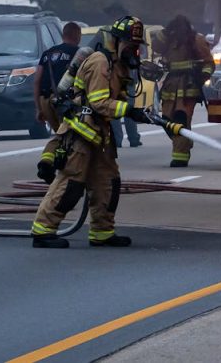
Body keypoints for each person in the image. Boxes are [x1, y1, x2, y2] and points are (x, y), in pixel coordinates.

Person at [30, 16, 147, 248]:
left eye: (136, 47)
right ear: (116, 41)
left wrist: (135, 109)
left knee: (108, 183)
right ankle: (43, 230)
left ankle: (102, 232)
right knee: (71, 183)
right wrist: (130, 111)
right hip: (81, 132)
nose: (134, 51)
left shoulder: (118, 66)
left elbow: (116, 98)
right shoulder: (99, 62)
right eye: (130, 45)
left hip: (100, 135)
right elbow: (98, 102)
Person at [153, 15, 215, 167]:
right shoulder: (169, 40)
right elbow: (156, 47)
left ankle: (180, 157)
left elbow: (209, 63)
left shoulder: (196, 40)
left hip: (188, 86)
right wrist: (166, 31)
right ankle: (186, 140)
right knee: (166, 121)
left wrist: (202, 76)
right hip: (170, 85)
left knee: (181, 120)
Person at [34, 21, 83, 184]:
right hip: (65, 103)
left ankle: (49, 162)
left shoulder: (47, 54)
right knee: (68, 136)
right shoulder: (79, 54)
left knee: (61, 135)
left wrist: (38, 109)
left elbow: (37, 81)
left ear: (63, 35)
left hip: (45, 101)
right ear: (77, 36)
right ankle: (55, 167)